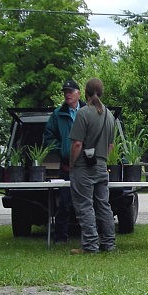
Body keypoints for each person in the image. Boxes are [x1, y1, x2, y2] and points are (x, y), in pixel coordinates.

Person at [68, 78, 117, 254]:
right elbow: (111, 146)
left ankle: (90, 245)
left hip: (84, 167)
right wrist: (102, 160)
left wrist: (72, 164)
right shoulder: (110, 116)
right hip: (102, 166)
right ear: (101, 92)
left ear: (85, 92)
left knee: (85, 206)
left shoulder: (83, 113)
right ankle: (109, 244)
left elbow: (77, 144)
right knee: (104, 205)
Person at [44, 79, 85, 243]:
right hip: (67, 166)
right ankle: (61, 236)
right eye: (65, 92)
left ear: (78, 93)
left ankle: (90, 236)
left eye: (70, 91)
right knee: (64, 203)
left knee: (87, 203)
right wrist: (62, 148)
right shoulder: (57, 114)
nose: (67, 94)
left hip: (85, 165)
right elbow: (48, 136)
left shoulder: (88, 111)